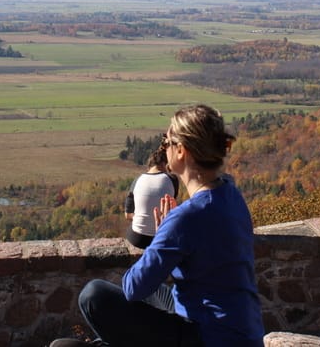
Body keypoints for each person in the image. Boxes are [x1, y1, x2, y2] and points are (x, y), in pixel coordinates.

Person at [51, 104, 264, 347]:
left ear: (181, 150)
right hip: (243, 332)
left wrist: (164, 233)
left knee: (94, 295)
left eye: (167, 141)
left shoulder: (186, 217)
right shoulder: (232, 194)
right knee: (157, 292)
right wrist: (171, 236)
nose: (164, 148)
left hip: (207, 337)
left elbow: (132, 287)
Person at [124, 141, 179, 249]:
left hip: (137, 239)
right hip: (161, 236)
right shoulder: (172, 180)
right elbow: (170, 206)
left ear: (149, 166)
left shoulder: (137, 180)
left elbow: (127, 215)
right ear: (164, 164)